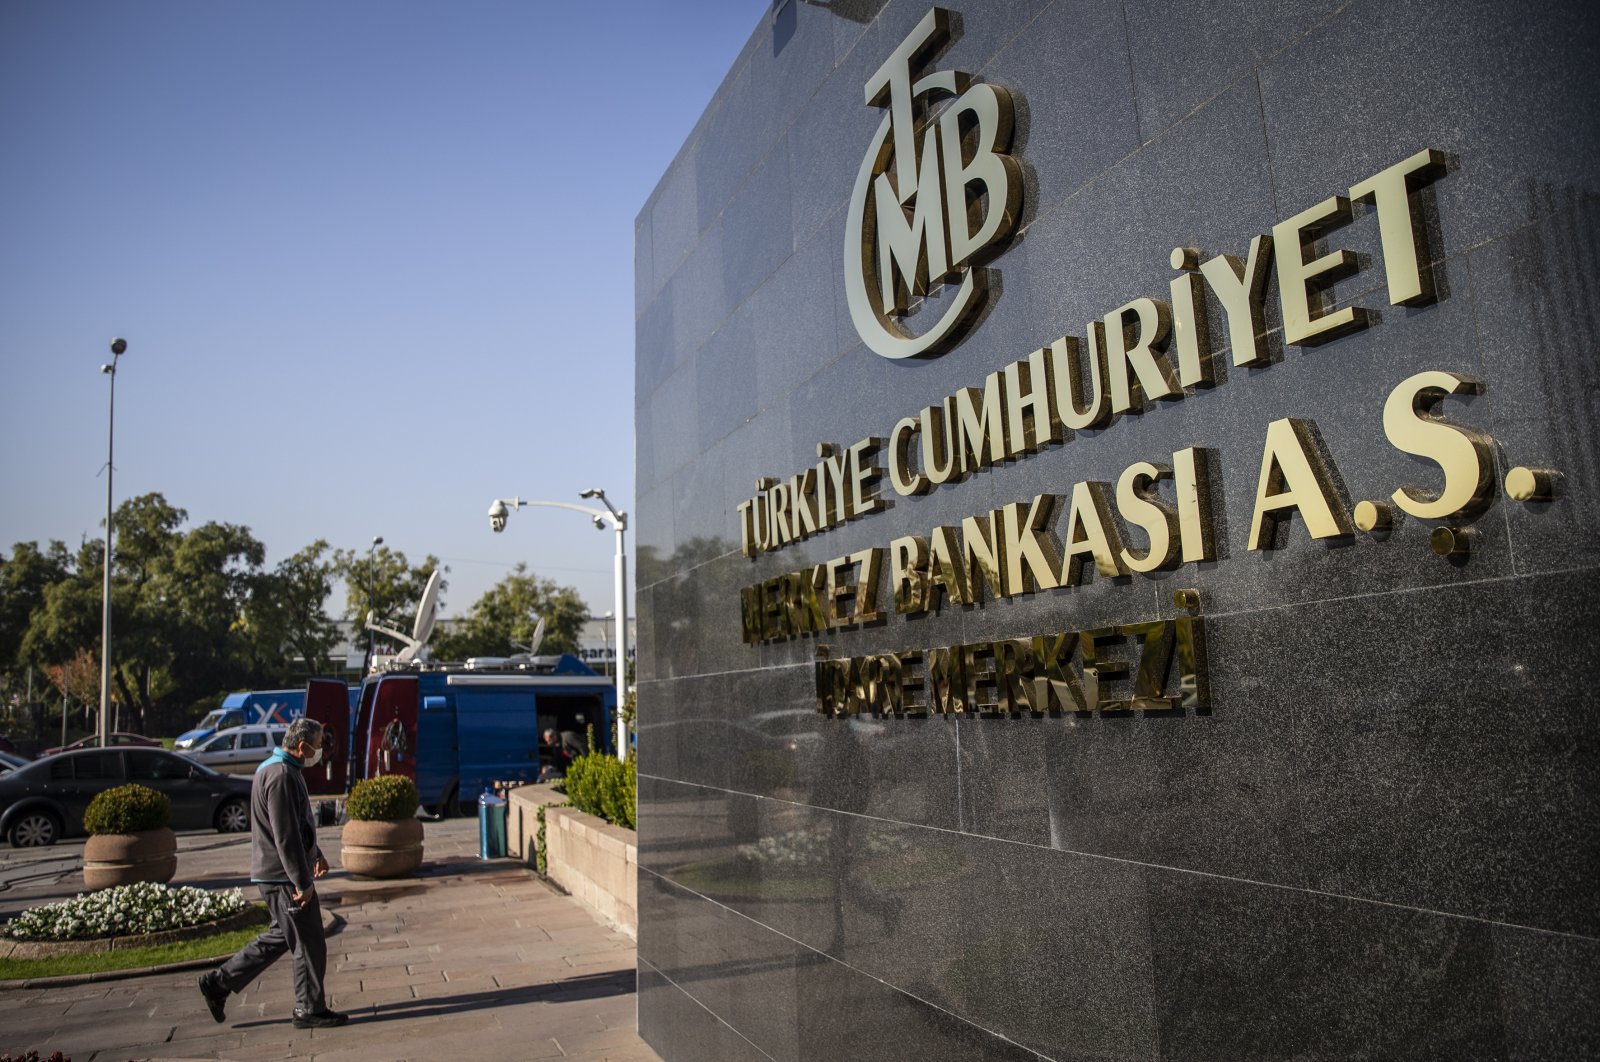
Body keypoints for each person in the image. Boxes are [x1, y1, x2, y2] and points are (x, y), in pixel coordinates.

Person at [198, 718, 348, 1029]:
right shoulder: (280, 775)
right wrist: (302, 881)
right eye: (319, 746)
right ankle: (309, 1009)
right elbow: (285, 835)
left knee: (281, 937)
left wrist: (315, 854)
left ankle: (218, 984)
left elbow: (298, 825)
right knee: (309, 944)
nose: (321, 751)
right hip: (283, 877)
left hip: (279, 874)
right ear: (302, 746)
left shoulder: (282, 768)